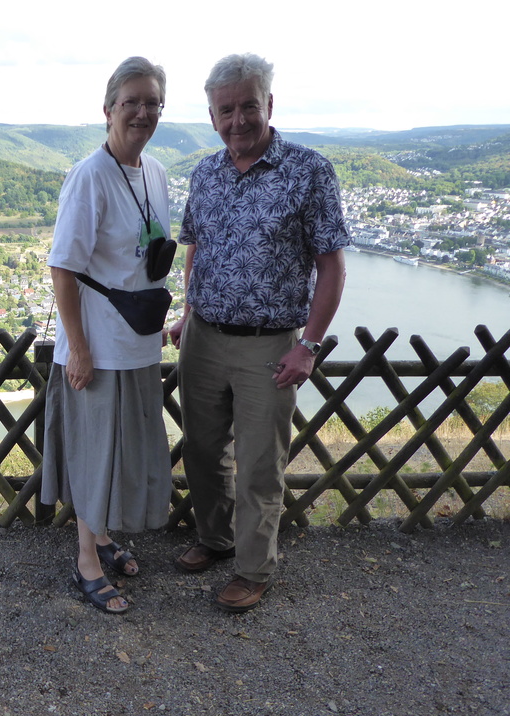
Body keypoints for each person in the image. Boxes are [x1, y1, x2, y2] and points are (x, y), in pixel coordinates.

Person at [168, 53, 349, 613]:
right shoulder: (205, 173)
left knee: (259, 464)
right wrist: (187, 307)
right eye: (227, 110)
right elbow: (194, 245)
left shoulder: (308, 170)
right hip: (202, 335)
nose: (238, 119)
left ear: (269, 104)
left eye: (249, 105)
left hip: (269, 342)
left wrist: (309, 344)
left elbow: (331, 266)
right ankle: (216, 539)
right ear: (212, 115)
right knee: (201, 450)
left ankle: (253, 568)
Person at [41, 56, 174, 614]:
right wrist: (80, 348)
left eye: (152, 103)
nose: (142, 112)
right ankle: (85, 561)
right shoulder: (89, 175)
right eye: (131, 102)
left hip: (137, 342)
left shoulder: (156, 173)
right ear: (108, 110)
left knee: (122, 453)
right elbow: (63, 269)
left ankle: (101, 536)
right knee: (97, 453)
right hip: (97, 344)